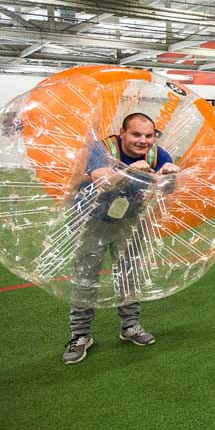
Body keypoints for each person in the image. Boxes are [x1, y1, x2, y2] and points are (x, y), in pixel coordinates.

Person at [63, 113, 180, 365]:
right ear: (122, 132)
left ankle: (130, 326)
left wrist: (170, 176)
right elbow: (102, 179)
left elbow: (167, 189)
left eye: (149, 135)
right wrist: (129, 170)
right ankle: (80, 335)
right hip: (92, 220)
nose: (143, 141)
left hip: (130, 219)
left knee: (129, 274)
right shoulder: (103, 148)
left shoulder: (158, 154)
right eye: (136, 134)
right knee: (85, 278)